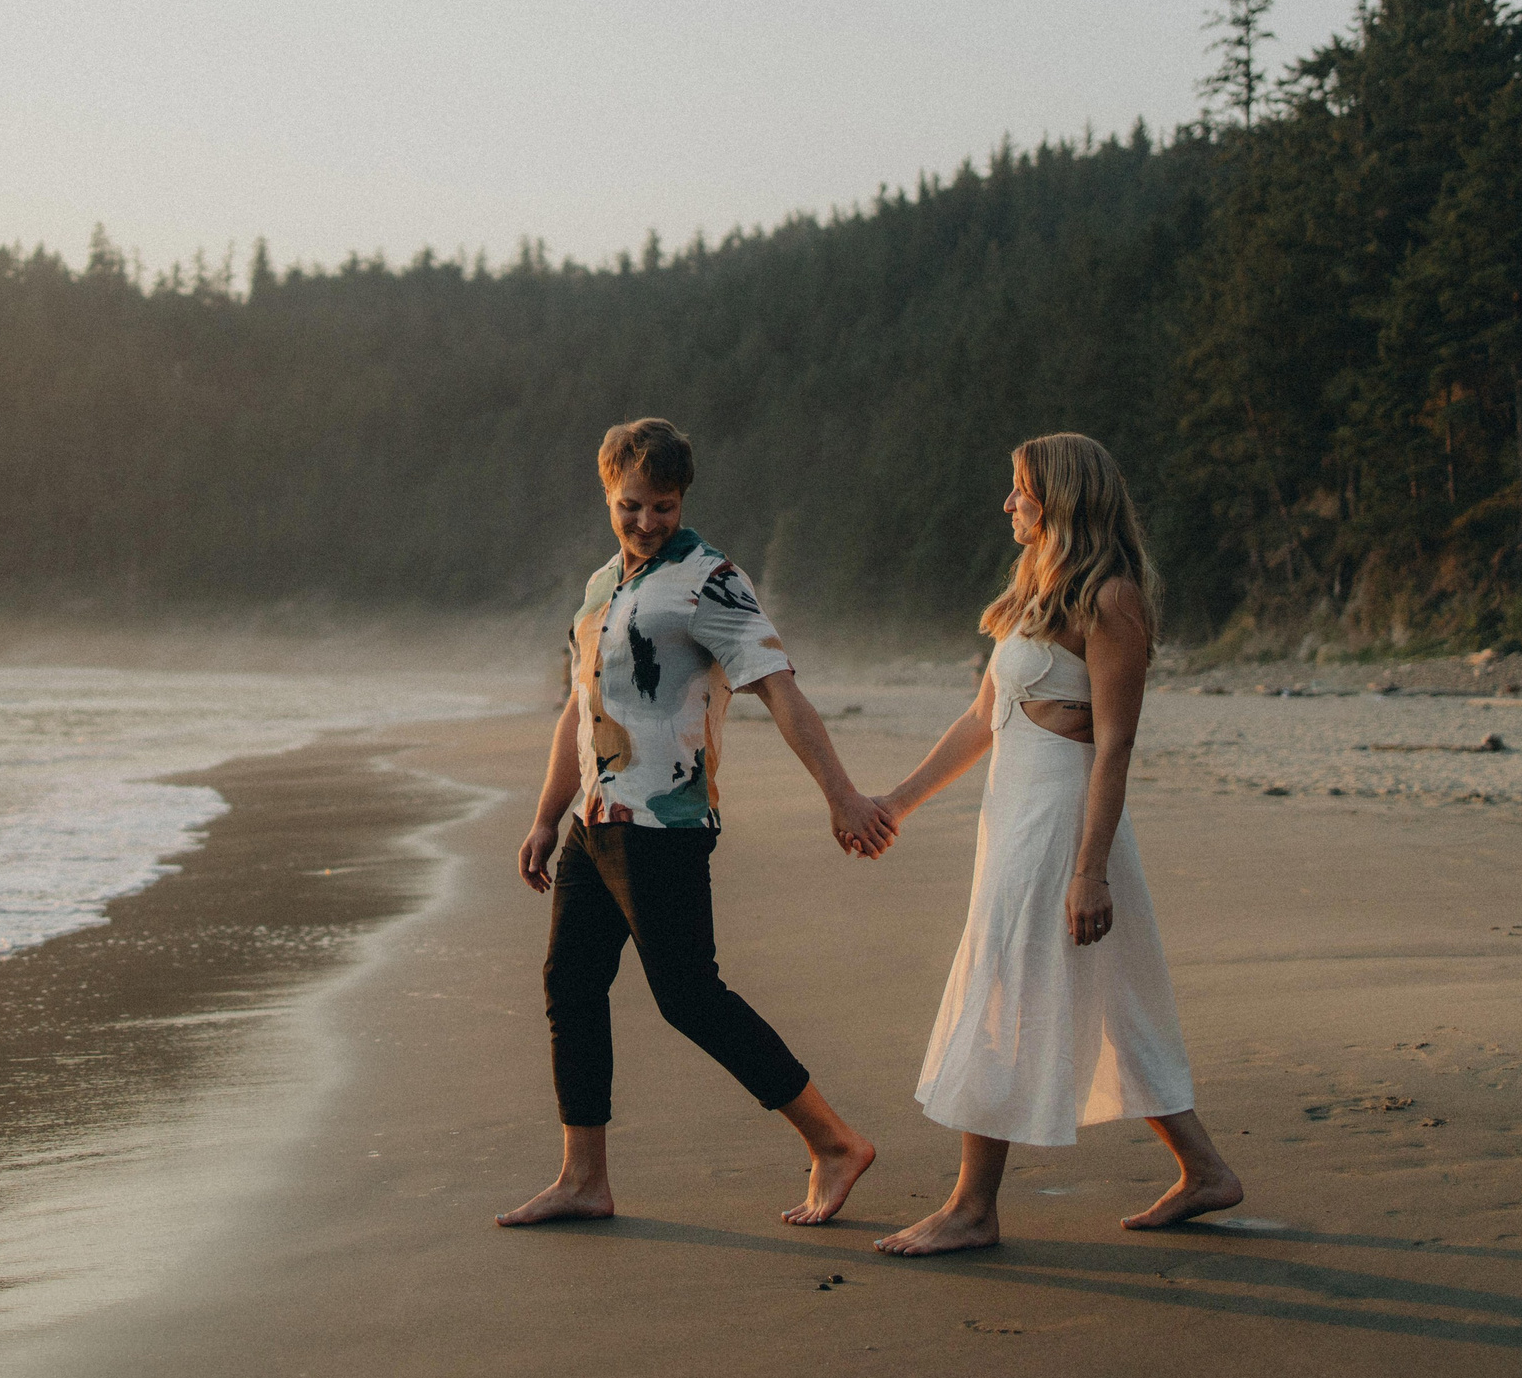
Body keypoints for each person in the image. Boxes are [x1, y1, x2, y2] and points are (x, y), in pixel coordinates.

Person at [498, 417, 893, 1229]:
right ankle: (584, 1177)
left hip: (664, 823)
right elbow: (581, 707)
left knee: (689, 996)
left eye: (664, 507)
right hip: (595, 818)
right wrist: (546, 815)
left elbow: (777, 685)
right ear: (609, 491)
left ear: (683, 501)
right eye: (632, 505)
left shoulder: (710, 580)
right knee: (569, 986)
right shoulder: (602, 585)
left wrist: (842, 795)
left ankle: (833, 1141)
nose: (647, 523)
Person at [872, 433, 1242, 1256]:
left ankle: (973, 1206)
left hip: (1061, 832)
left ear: (1062, 499)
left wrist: (1089, 871)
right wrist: (898, 800)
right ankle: (1206, 1170)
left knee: (1003, 987)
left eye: (1021, 492)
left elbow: (1113, 746)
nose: (1008, 504)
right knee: (1116, 1000)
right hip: (1012, 822)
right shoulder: (1035, 590)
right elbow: (981, 720)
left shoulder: (1111, 599)